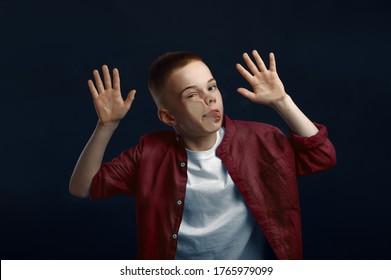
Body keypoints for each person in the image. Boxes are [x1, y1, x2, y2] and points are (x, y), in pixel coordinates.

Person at [69, 50, 336, 260]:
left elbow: (322, 156)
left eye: (211, 87)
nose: (209, 100)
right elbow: (83, 188)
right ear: (168, 116)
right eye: (191, 95)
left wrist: (282, 101)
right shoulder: (148, 153)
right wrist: (106, 126)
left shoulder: (261, 140)